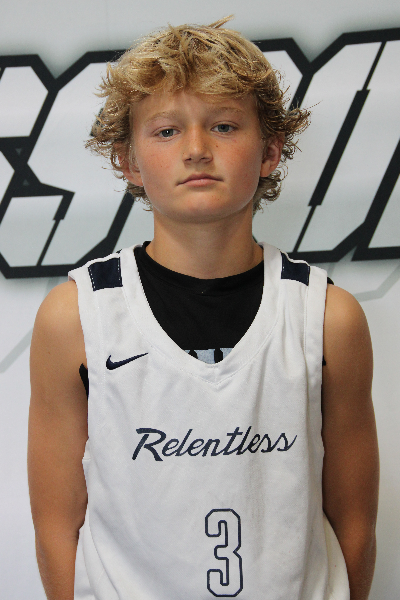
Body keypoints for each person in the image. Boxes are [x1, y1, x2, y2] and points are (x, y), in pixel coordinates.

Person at [28, 17, 379, 600]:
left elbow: (356, 527)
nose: (196, 150)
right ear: (128, 161)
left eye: (223, 125)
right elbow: (56, 528)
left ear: (270, 151)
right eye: (166, 131)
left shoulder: (327, 317)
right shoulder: (76, 317)